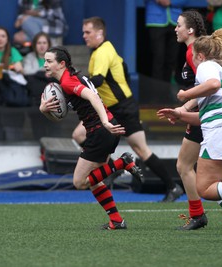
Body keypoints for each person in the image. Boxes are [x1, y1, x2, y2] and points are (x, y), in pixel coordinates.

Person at [158, 27, 222, 234]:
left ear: (200, 55)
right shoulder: (218, 70)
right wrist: (180, 115)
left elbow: (212, 84)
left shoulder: (206, 68)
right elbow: (204, 116)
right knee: (218, 183)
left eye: (193, 58)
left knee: (204, 187)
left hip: (221, 130)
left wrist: (185, 95)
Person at [73, 16, 183, 202]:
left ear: (100, 33)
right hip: (112, 108)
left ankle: (173, 186)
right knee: (79, 135)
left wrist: (74, 88)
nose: (84, 36)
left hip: (123, 108)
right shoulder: (102, 51)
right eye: (83, 32)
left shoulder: (102, 52)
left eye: (88, 32)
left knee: (141, 149)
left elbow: (98, 81)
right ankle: (113, 168)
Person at [39, 46, 144, 229]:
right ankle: (117, 221)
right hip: (104, 130)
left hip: (101, 132)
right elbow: (60, 115)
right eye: (45, 61)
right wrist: (44, 110)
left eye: (49, 61)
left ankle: (122, 163)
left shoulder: (67, 82)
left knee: (79, 182)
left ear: (61, 64)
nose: (45, 64)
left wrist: (103, 122)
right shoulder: (71, 77)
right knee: (95, 180)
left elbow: (93, 97)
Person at [167, 10, 208, 229]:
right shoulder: (194, 50)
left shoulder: (194, 51)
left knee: (185, 166)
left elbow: (207, 86)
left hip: (205, 115)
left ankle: (198, 215)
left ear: (190, 30)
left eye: (179, 25)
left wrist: (183, 107)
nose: (175, 28)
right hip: (204, 115)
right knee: (209, 168)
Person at [145, 0, 187, 82]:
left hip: (176, 21)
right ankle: (157, 87)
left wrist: (170, 2)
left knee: (173, 57)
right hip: (155, 21)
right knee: (158, 57)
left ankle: (169, 85)